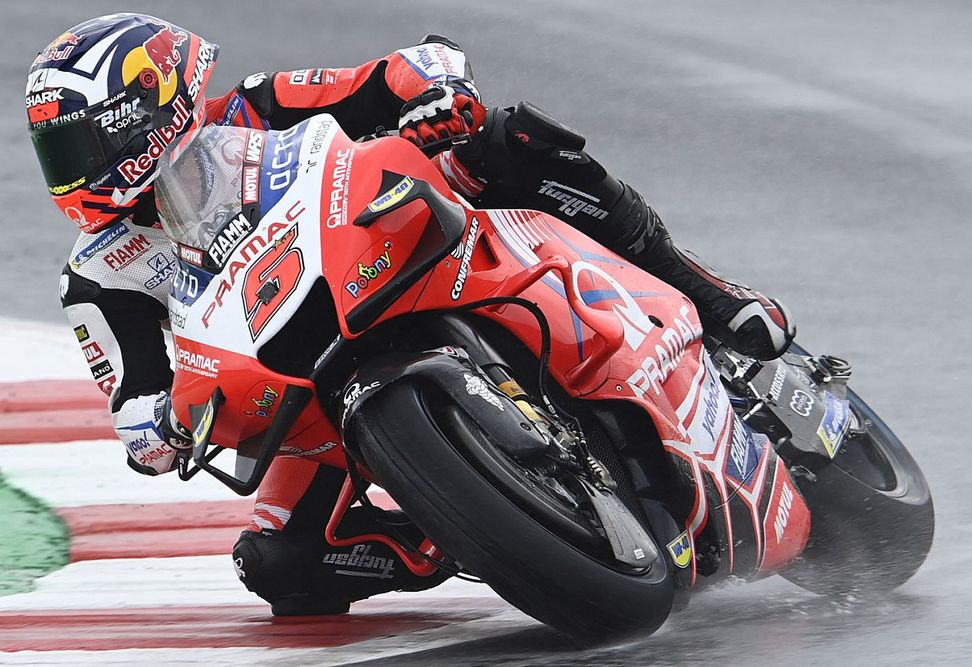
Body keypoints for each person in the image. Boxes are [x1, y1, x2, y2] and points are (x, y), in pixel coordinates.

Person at [27, 14, 795, 615]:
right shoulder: (96, 272)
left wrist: (435, 96)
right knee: (279, 566)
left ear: (146, 111)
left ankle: (709, 295)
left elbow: (400, 70)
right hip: (303, 385)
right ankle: (465, 530)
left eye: (80, 142)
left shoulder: (253, 108)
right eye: (55, 152)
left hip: (402, 251)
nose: (70, 170)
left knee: (505, 139)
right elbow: (131, 396)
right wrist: (152, 426)